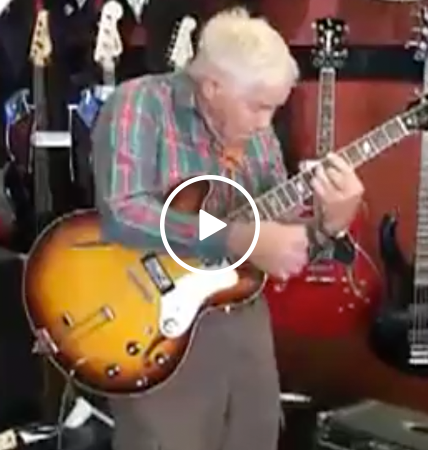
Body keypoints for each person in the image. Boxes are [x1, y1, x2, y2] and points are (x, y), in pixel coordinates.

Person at [91, 7, 364, 450]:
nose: (265, 123)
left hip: (244, 321)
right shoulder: (141, 103)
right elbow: (123, 213)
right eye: (258, 106)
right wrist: (235, 237)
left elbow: (277, 240)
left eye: (274, 108)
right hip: (152, 319)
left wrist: (327, 225)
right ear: (212, 86)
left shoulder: (259, 134)